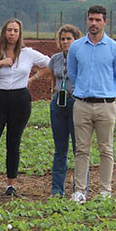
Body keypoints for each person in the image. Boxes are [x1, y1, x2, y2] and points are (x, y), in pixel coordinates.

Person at [0, 18, 50, 197]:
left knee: (13, 143)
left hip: (20, 99)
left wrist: (33, 79)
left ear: (20, 34)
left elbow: (50, 64)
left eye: (15, 31)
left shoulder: (28, 53)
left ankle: (10, 184)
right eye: (9, 30)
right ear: (4, 32)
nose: (12, 34)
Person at [68, 5, 116, 202]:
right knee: (82, 149)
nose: (93, 23)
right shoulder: (76, 47)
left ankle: (105, 191)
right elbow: (73, 73)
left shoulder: (115, 48)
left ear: (105, 22)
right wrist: (84, 90)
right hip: (82, 104)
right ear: (87, 20)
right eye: (91, 19)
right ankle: (79, 191)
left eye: (98, 20)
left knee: (106, 149)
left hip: (106, 105)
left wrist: (108, 93)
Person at [48, 24, 82, 197]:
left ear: (76, 40)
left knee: (79, 149)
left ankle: (80, 189)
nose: (65, 42)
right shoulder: (55, 59)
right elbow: (53, 79)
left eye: (69, 38)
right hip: (58, 104)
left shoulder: (81, 57)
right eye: (63, 39)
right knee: (60, 149)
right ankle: (57, 190)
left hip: (76, 103)